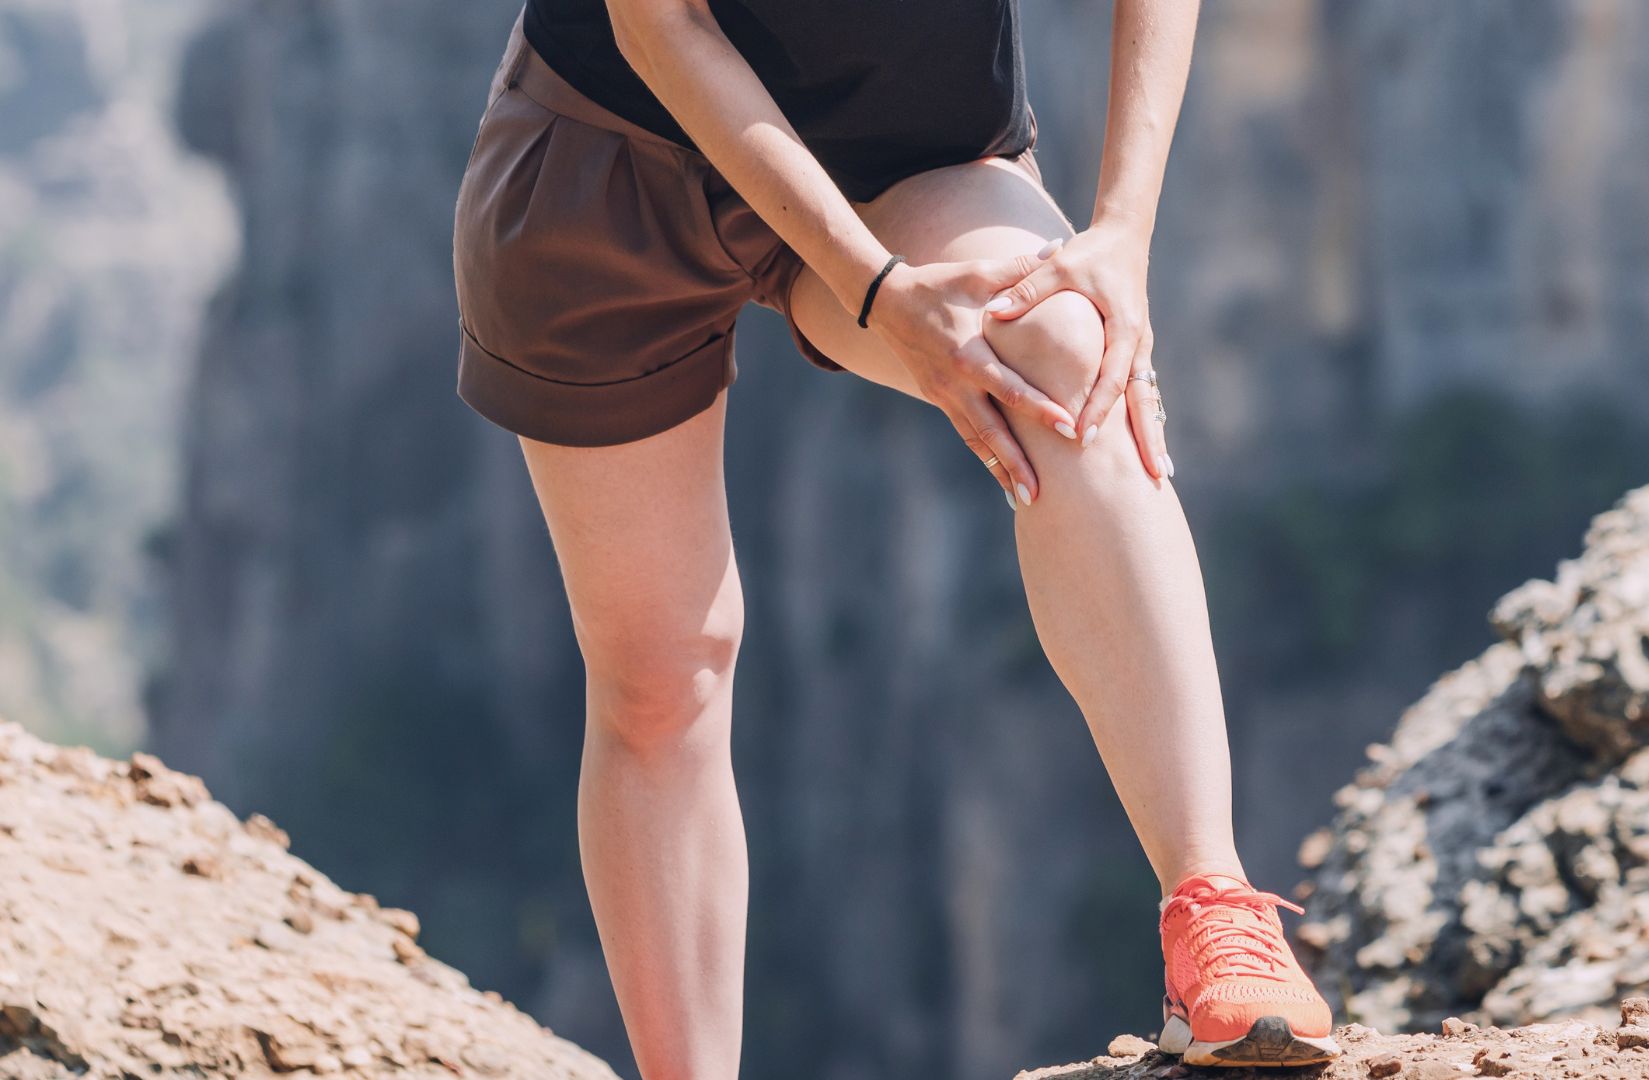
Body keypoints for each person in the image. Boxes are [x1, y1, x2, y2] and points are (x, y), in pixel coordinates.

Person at [451, 1, 1339, 1075]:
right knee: (662, 673)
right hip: (609, 165)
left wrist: (1122, 234)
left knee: (1069, 357)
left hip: (906, 154)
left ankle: (1214, 909)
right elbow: (663, 21)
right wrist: (871, 289)